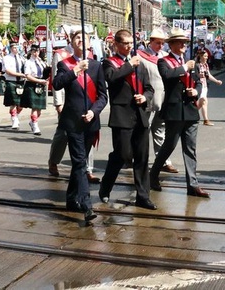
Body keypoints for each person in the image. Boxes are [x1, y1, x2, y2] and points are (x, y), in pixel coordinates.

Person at [52, 29, 108, 222]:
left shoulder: (96, 66)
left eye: (84, 39)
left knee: (79, 163)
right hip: (73, 122)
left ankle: (70, 198)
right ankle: (86, 205)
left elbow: (103, 96)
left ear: (89, 43)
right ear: (71, 42)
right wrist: (75, 71)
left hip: (91, 121)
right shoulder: (64, 64)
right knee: (80, 163)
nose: (80, 41)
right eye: (77, 38)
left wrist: (94, 111)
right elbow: (57, 84)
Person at [98, 29, 157, 210]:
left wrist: (145, 97)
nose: (129, 46)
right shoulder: (109, 62)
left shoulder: (139, 63)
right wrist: (129, 65)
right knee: (123, 155)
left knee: (142, 156)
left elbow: (149, 87)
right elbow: (111, 78)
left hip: (140, 114)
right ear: (116, 44)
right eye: (125, 43)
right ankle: (105, 186)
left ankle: (143, 195)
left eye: (131, 43)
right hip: (122, 115)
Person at [149, 27, 209, 198]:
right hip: (174, 110)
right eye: (180, 42)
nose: (183, 45)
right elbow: (167, 76)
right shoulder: (164, 61)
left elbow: (198, 81)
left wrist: (196, 91)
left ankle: (193, 184)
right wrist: (184, 67)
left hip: (190, 110)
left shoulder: (190, 63)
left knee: (190, 149)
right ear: (172, 44)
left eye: (185, 42)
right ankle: (153, 175)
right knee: (169, 145)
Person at [138, 29, 178, 174]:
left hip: (163, 99)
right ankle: (138, 158)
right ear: (150, 42)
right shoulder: (141, 56)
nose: (160, 46)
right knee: (143, 130)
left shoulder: (165, 57)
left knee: (160, 131)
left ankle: (163, 161)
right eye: (157, 43)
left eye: (162, 43)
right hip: (148, 99)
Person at [21, 45, 49, 135]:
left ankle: (32, 122)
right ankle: (35, 126)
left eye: (37, 51)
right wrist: (39, 80)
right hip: (32, 84)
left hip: (40, 85)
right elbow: (28, 76)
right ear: (31, 52)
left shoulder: (41, 62)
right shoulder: (28, 62)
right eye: (34, 51)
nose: (36, 53)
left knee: (39, 109)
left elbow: (45, 72)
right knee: (34, 107)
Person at [194, 50, 222, 126]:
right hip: (198, 86)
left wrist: (216, 81)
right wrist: (199, 76)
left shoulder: (206, 65)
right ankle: (206, 120)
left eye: (207, 56)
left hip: (204, 85)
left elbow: (208, 75)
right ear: (200, 56)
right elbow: (193, 76)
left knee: (202, 102)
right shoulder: (196, 65)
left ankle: (192, 113)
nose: (207, 57)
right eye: (205, 56)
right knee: (204, 101)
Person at [3, 43, 26, 129]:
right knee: (13, 102)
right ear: (11, 48)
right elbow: (8, 71)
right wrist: (20, 74)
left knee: (21, 104)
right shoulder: (6, 58)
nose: (16, 49)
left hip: (21, 82)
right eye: (14, 47)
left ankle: (16, 115)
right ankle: (14, 119)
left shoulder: (22, 58)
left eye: (17, 47)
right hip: (11, 81)